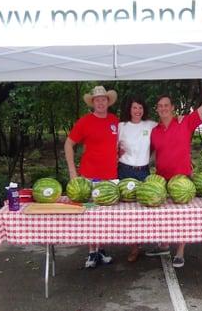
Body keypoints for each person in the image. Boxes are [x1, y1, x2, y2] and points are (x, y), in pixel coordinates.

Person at [146, 78, 202, 268]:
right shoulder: (154, 131)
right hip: (162, 181)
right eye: (160, 106)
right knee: (163, 216)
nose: (163, 108)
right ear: (157, 109)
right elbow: (147, 152)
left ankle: (180, 251)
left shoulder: (185, 122)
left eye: (166, 105)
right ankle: (164, 244)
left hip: (184, 179)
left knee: (183, 216)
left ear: (172, 107)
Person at [64, 85, 119, 269]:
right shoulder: (84, 122)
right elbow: (68, 144)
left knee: (105, 217)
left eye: (103, 99)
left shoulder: (115, 121)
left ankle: (102, 249)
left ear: (108, 102)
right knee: (90, 215)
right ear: (93, 103)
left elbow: (118, 143)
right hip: (89, 177)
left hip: (111, 178)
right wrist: (73, 171)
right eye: (97, 100)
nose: (101, 102)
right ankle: (91, 252)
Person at [117, 97, 158, 262]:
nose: (138, 111)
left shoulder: (150, 125)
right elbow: (112, 147)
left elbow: (167, 128)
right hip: (125, 171)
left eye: (140, 107)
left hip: (144, 172)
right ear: (129, 109)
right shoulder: (121, 126)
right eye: (135, 108)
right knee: (129, 212)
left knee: (146, 209)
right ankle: (134, 248)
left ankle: (147, 240)